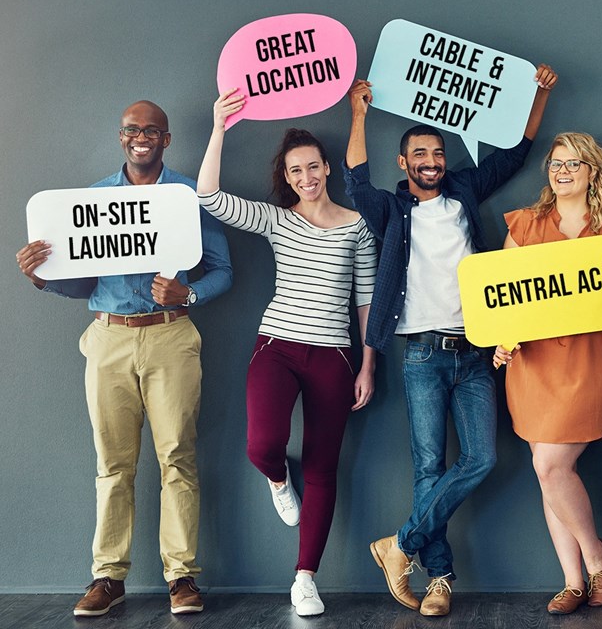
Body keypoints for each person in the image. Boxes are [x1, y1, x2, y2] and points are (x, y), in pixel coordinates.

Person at [343, 64, 558, 617]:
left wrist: (538, 96)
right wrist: (358, 114)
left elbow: (514, 154)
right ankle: (440, 579)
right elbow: (355, 183)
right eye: (421, 156)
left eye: (437, 155)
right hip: (419, 353)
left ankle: (399, 545)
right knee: (427, 467)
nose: (432, 163)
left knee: (482, 457)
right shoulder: (391, 208)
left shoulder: (463, 189)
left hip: (476, 351)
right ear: (405, 163)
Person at [14, 101, 232, 617]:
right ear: (121, 137)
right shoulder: (91, 201)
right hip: (108, 338)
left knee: (177, 455)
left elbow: (224, 269)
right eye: (133, 131)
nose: (142, 138)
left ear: (167, 139)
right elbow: (81, 282)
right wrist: (41, 277)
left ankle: (182, 576)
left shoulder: (188, 197)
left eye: (151, 131)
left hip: (170, 336)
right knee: (112, 464)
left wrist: (188, 295)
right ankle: (108, 578)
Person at [194, 90, 377, 617]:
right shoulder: (278, 220)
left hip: (335, 357)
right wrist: (218, 127)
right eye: (296, 171)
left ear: (326, 167)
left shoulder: (358, 226)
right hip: (277, 346)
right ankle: (278, 478)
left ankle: (304, 579)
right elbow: (208, 196)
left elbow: (364, 297)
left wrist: (368, 364)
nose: (306, 177)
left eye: (313, 166)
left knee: (323, 466)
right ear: (288, 177)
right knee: (262, 444)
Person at [491, 132, 602, 615]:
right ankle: (574, 581)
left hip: (590, 360)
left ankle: (597, 557)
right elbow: (502, 294)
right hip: (533, 362)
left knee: (551, 466)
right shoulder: (526, 223)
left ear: (593, 172)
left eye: (573, 164)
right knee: (547, 470)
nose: (562, 172)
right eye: (555, 164)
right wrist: (501, 339)